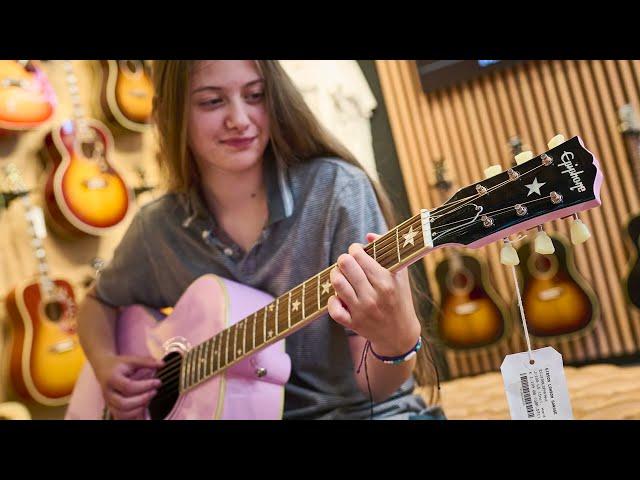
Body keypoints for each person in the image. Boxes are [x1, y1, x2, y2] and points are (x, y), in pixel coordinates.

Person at [77, 60, 445, 420]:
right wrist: (105, 363)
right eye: (212, 101)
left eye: (254, 95)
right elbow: (97, 303)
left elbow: (375, 389)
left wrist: (395, 339)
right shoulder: (157, 230)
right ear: (171, 113)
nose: (239, 119)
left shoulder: (335, 191)